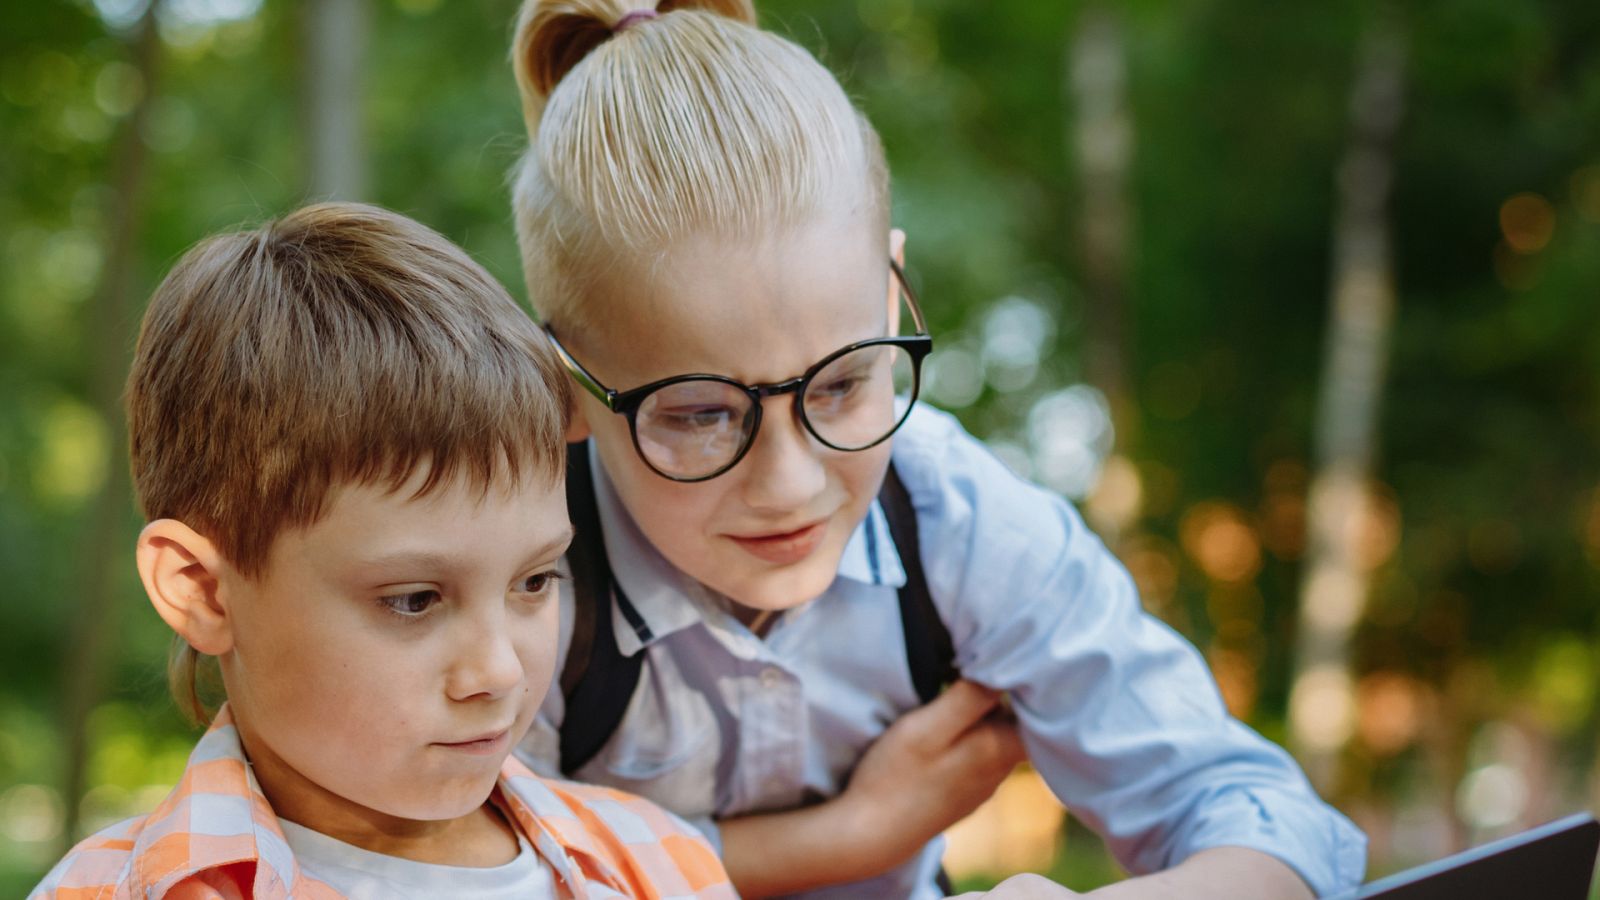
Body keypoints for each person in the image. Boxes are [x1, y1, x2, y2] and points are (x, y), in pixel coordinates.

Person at [507, 1, 1367, 897]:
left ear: (891, 295)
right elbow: (469, 876)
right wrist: (851, 837)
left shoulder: (954, 520)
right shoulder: (518, 577)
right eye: (699, 415)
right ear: (563, 382)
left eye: (841, 385)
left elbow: (1257, 812)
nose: (790, 482)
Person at [30, 202, 736, 900]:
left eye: (534, 581)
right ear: (201, 589)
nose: (497, 672)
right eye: (414, 600)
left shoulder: (666, 867)